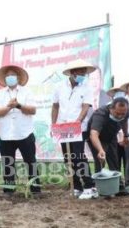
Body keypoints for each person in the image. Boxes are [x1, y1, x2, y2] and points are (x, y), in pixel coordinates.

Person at [51, 59, 96, 199]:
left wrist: (78, 121)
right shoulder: (59, 87)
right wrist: (53, 124)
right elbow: (55, 106)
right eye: (79, 71)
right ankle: (76, 186)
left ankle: (90, 187)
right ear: (72, 72)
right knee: (68, 158)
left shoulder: (87, 87)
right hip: (63, 128)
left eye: (84, 71)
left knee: (78, 156)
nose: (82, 73)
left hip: (78, 128)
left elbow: (85, 107)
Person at [0, 65, 41, 197]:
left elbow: (33, 110)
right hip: (6, 134)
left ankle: (36, 190)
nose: (10, 78)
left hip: (25, 133)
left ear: (18, 77)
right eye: (7, 76)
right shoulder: (0, 94)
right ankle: (9, 190)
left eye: (12, 75)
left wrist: (18, 105)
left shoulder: (27, 92)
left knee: (31, 161)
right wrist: (9, 106)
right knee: (8, 163)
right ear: (4, 79)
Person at [87, 97, 129, 194]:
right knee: (100, 161)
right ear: (111, 108)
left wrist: (126, 135)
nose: (120, 116)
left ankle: (118, 187)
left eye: (122, 114)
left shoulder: (125, 111)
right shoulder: (100, 114)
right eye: (117, 113)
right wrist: (101, 150)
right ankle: (101, 189)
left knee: (114, 160)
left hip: (111, 136)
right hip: (97, 138)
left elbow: (124, 121)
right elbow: (93, 134)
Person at [106, 87, 127, 175]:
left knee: (127, 161)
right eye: (117, 92)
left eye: (121, 92)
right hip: (113, 138)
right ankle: (117, 181)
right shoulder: (108, 106)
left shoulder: (127, 107)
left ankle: (128, 181)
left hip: (126, 137)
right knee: (115, 160)